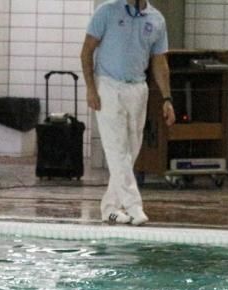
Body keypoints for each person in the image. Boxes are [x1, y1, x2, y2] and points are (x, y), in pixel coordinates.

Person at [81, 0, 176, 226]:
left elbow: (159, 61)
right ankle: (134, 206)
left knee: (130, 151)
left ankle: (110, 208)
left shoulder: (156, 19)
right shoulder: (106, 11)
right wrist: (91, 89)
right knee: (117, 150)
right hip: (108, 86)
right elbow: (86, 51)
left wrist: (167, 98)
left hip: (138, 88)